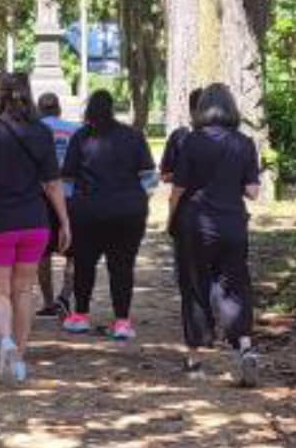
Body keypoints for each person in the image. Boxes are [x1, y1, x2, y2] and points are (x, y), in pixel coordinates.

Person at [0, 70, 71, 383]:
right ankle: (20, 360)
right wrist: (65, 222)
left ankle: (5, 341)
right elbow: (53, 184)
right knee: (24, 289)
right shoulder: (41, 132)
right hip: (34, 220)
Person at [163, 81, 263, 382]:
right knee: (235, 285)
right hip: (233, 223)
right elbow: (253, 191)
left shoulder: (192, 141)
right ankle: (244, 347)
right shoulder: (244, 143)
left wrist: (171, 218)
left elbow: (178, 188)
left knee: (194, 287)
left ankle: (195, 360)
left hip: (196, 223)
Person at [61, 90, 155, 337]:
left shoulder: (81, 137)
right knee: (122, 266)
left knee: (84, 264)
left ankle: (80, 315)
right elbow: (148, 177)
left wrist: (69, 209)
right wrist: (140, 201)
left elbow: (67, 178)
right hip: (127, 212)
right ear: (112, 108)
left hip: (88, 212)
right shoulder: (133, 136)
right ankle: (122, 321)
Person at [35, 90, 79, 319]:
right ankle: (65, 296)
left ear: (39, 110)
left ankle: (48, 301)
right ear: (59, 109)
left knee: (43, 253)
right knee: (73, 252)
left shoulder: (34, 130)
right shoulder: (75, 130)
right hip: (70, 195)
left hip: (41, 197)